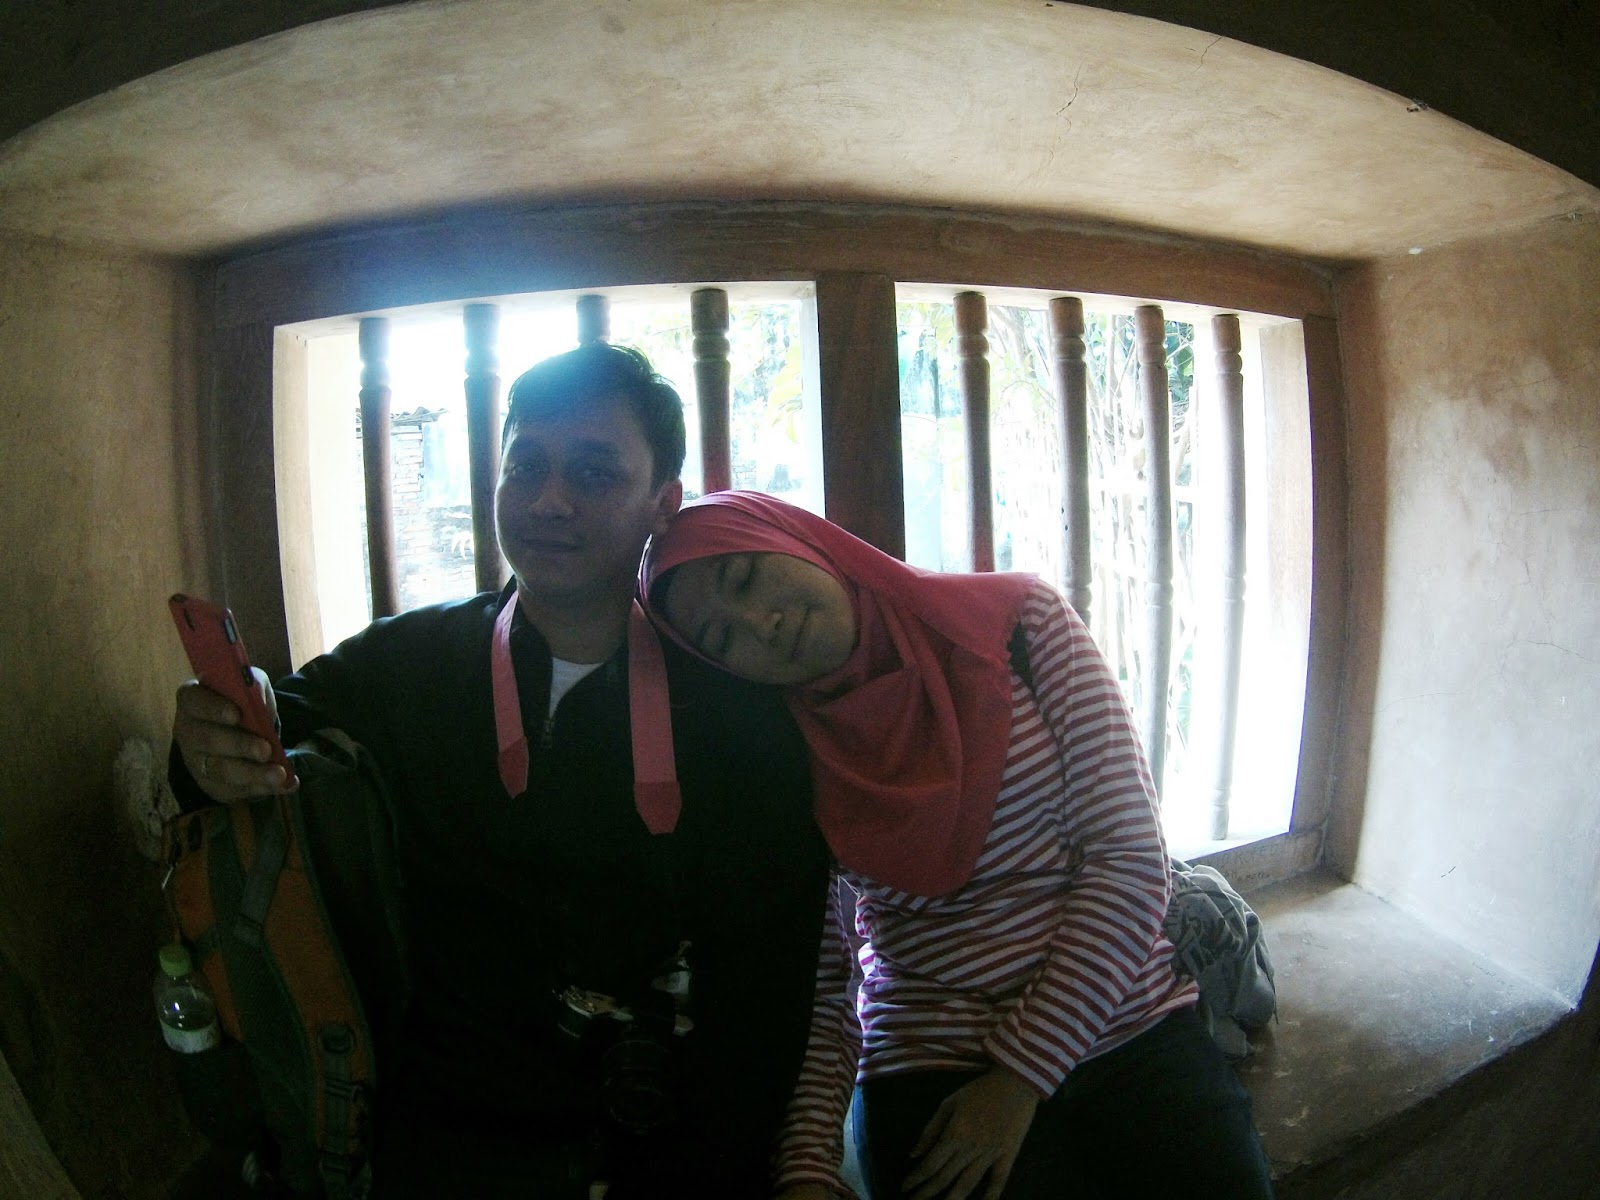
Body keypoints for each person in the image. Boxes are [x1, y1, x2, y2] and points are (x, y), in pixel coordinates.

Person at [170, 347, 831, 1198]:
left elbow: (763, 1012)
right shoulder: (410, 660)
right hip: (423, 1138)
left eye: (593, 472)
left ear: (663, 504)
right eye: (526, 466)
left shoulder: (739, 722)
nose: (549, 499)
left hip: (643, 1144)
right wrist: (207, 744)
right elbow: (260, 731)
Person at [640, 491, 1276, 1200]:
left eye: (745, 577)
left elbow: (1128, 861)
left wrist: (1019, 1077)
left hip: (1122, 1014)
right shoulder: (783, 751)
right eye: (722, 639)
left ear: (797, 538)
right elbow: (823, 985)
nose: (762, 624)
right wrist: (808, 1165)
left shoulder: (1019, 624)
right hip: (930, 1056)